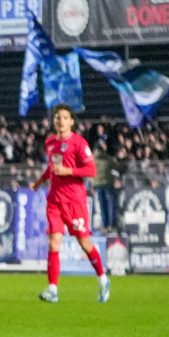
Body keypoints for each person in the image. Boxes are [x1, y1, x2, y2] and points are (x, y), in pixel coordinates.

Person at [29, 104, 110, 304]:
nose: (61, 121)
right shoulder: (50, 143)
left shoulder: (79, 143)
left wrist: (69, 172)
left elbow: (91, 171)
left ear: (72, 121)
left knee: (85, 244)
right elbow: (51, 168)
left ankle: (103, 278)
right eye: (57, 117)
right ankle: (53, 289)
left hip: (75, 202)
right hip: (54, 200)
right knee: (53, 242)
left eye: (65, 117)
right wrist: (39, 182)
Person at [92, 139, 117, 232]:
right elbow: (115, 164)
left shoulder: (92, 159)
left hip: (97, 185)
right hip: (108, 183)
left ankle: (105, 225)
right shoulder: (106, 158)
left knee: (102, 206)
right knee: (111, 204)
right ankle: (112, 224)